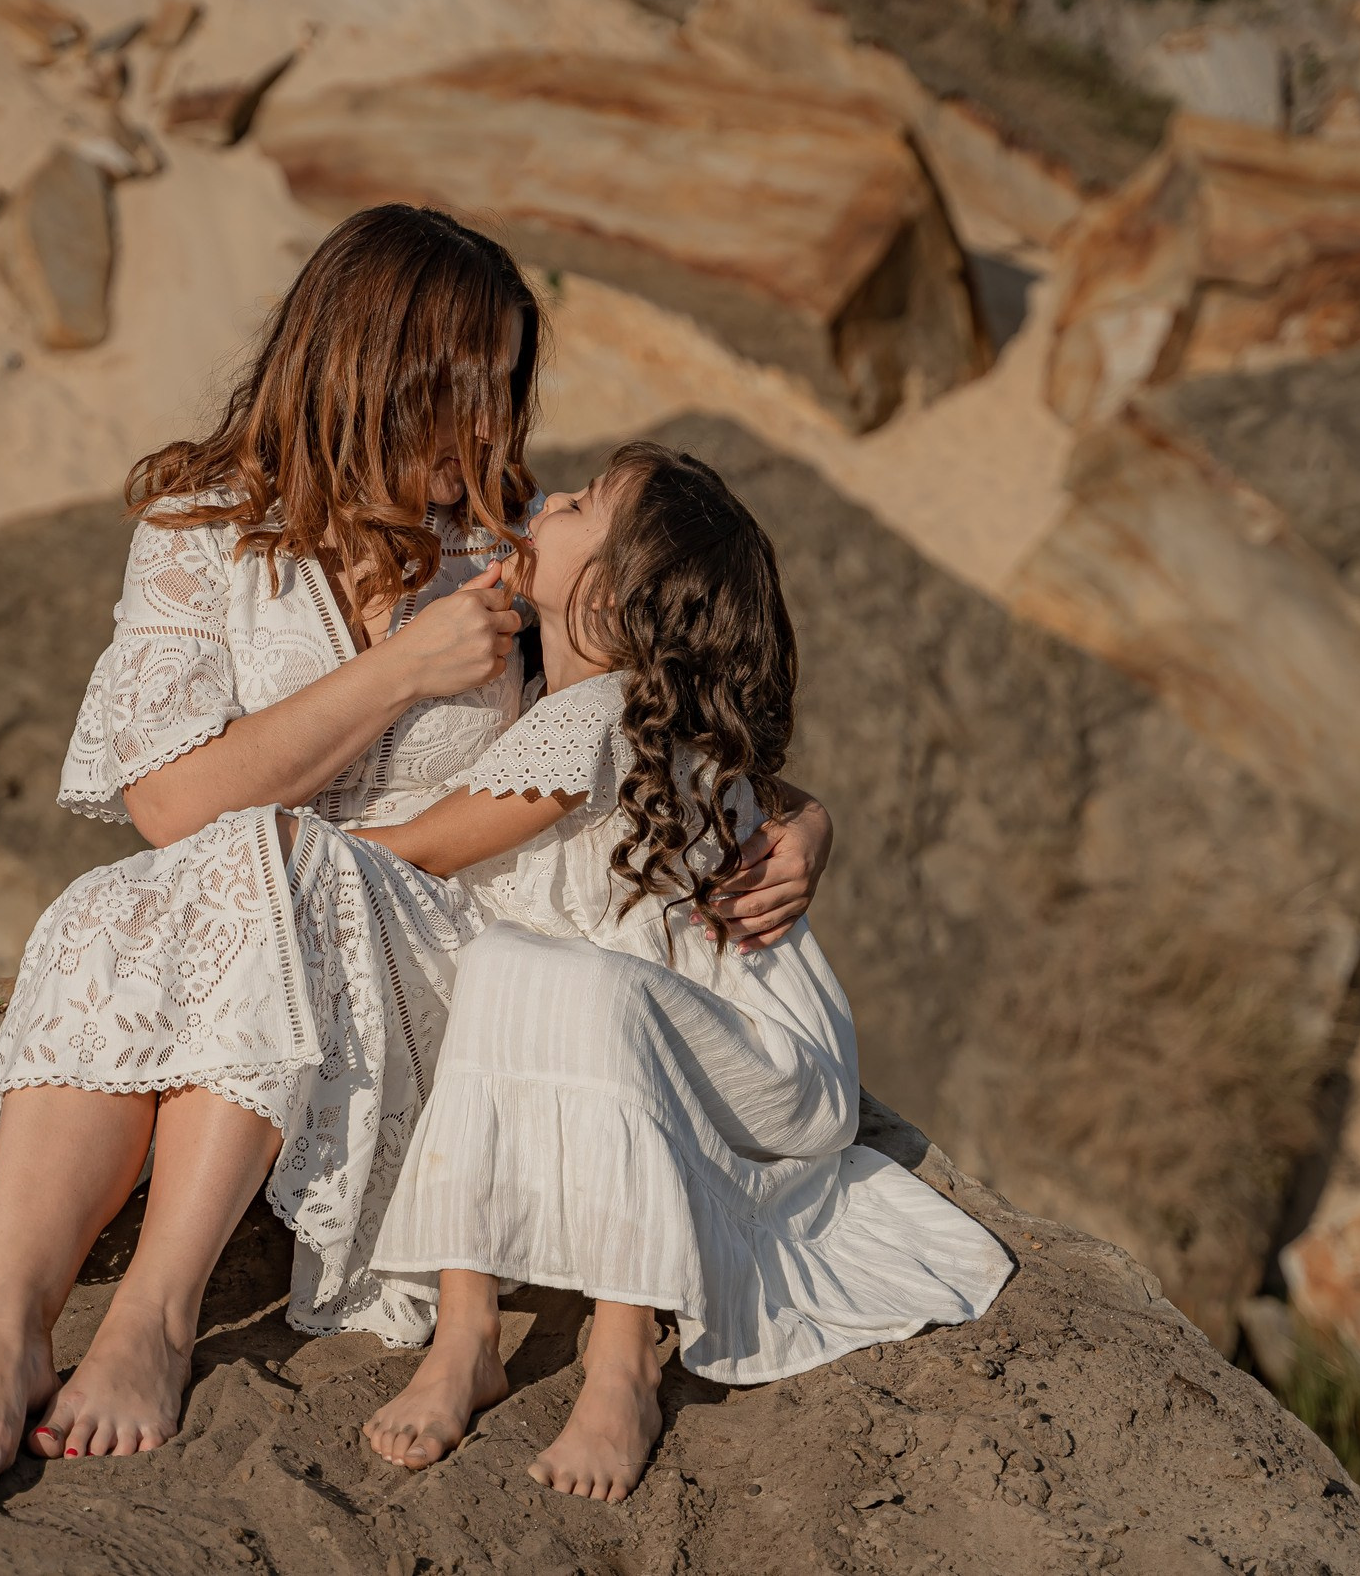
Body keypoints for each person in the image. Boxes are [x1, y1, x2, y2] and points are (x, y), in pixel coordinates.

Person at [0, 206, 838, 1493]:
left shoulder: (501, 545)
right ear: (386, 374)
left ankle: (153, 1320)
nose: (504, 424)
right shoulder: (197, 529)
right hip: (234, 910)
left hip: (448, 962)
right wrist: (395, 673)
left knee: (258, 868)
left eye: (512, 382)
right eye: (478, 382)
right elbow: (171, 807)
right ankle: (2, 1337)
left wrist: (799, 820)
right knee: (130, 898)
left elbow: (649, 709)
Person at [355, 443, 1013, 1501]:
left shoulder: (593, 717)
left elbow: (427, 846)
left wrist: (258, 850)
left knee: (556, 972)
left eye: (579, 507)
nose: (548, 498)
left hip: (761, 1065)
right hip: (649, 1034)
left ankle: (621, 1358)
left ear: (610, 596)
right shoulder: (581, 699)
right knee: (516, 967)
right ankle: (467, 1331)